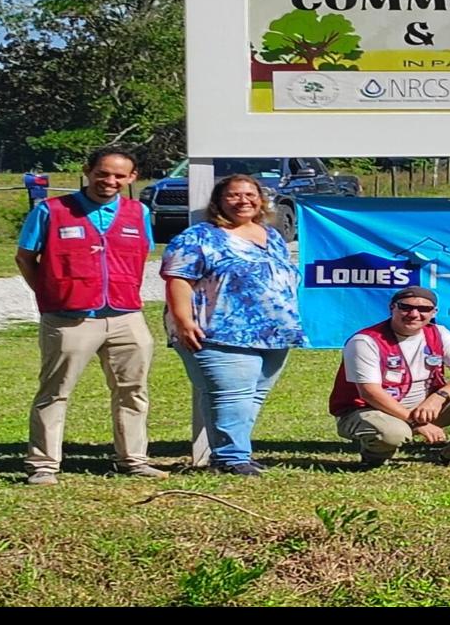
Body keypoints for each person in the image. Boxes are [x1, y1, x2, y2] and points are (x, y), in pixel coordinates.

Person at [16, 147, 164, 485]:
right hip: (69, 318)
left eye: (118, 175)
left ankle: (134, 460)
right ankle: (44, 465)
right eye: (102, 173)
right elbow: (25, 258)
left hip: (126, 315)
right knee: (55, 391)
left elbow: (139, 255)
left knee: (133, 390)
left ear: (131, 178)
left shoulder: (137, 212)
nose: (109, 181)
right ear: (87, 171)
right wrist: (49, 294)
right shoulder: (52, 211)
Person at [160, 173, 303, 476]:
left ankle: (237, 454)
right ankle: (230, 459)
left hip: (273, 334)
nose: (243, 201)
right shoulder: (199, 236)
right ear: (218, 202)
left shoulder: (272, 235)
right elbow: (178, 279)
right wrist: (184, 322)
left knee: (252, 396)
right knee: (231, 396)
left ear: (261, 200)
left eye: (250, 195)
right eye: (234, 195)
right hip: (218, 332)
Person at [329, 286, 450, 469]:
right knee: (392, 433)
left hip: (423, 407)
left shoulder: (439, 333)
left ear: (434, 312)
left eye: (424, 309)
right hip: (369, 410)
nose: (414, 314)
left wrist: (438, 398)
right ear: (392, 308)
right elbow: (370, 393)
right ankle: (374, 457)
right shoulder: (365, 341)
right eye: (405, 307)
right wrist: (414, 422)